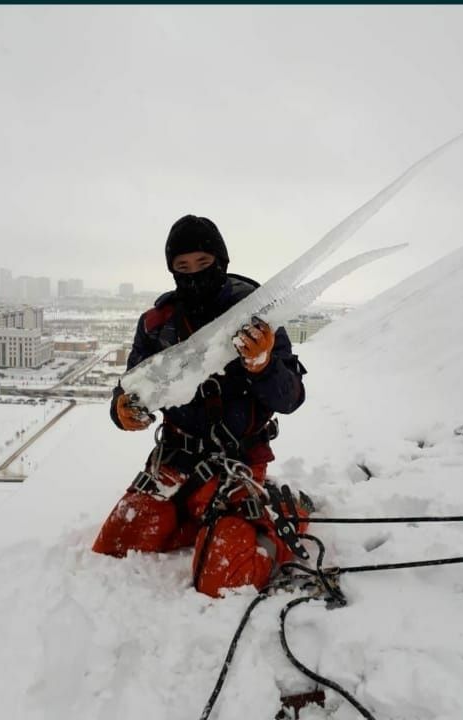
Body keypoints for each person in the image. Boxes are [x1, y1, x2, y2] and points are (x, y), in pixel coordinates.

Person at [92, 215, 307, 597]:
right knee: (116, 544)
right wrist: (121, 411)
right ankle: (203, 517)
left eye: (203, 264)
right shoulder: (158, 324)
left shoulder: (257, 318)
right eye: (182, 267)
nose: (193, 275)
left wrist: (263, 365)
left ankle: (283, 516)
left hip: (236, 461)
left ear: (221, 262)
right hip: (177, 460)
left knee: (221, 578)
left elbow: (290, 397)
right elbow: (130, 386)